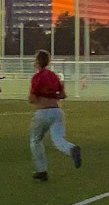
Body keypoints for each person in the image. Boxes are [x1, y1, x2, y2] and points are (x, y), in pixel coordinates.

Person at [26, 49, 81, 181]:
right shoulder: (54, 76)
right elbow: (63, 95)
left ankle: (42, 171)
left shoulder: (37, 77)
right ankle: (71, 149)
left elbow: (32, 98)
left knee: (35, 140)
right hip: (57, 111)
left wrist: (39, 99)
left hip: (43, 112)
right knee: (58, 139)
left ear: (38, 62)